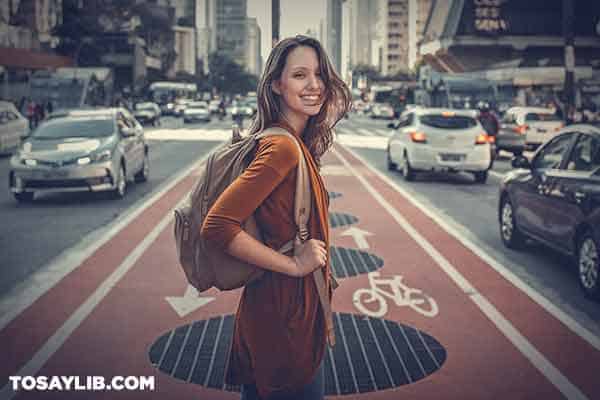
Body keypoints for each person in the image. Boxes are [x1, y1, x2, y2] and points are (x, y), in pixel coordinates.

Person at [201, 35, 351, 400]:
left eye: (318, 73)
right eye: (300, 75)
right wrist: (295, 266)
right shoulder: (282, 146)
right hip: (284, 322)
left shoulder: (293, 142)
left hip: (285, 314)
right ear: (276, 85)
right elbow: (217, 226)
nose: (314, 84)